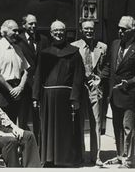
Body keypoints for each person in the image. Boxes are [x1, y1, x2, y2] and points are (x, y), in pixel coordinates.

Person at [33, 20, 85, 167]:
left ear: (66, 32)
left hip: (66, 99)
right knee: (48, 129)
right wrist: (35, 96)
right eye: (55, 31)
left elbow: (78, 77)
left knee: (65, 130)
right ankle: (49, 159)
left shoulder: (74, 52)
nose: (58, 33)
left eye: (61, 30)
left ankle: (65, 159)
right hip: (48, 98)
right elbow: (39, 75)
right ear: (50, 33)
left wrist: (75, 98)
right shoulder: (44, 53)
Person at [103, 16, 135, 168]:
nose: (119, 31)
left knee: (128, 129)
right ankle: (120, 156)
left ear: (133, 31)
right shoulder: (114, 44)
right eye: (119, 28)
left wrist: (129, 83)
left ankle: (129, 160)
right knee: (117, 127)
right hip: (114, 95)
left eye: (123, 29)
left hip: (128, 94)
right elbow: (108, 66)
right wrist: (101, 78)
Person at [71, 20, 107, 166]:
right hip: (80, 88)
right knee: (79, 122)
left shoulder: (102, 46)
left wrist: (100, 78)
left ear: (95, 30)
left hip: (95, 89)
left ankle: (96, 156)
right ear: (81, 29)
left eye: (91, 28)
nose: (89, 31)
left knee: (96, 122)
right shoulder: (75, 46)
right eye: (86, 28)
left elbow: (106, 67)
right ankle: (80, 155)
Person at [0, 19, 30, 126]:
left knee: (14, 124)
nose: (17, 34)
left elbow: (26, 71)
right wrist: (11, 90)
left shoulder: (18, 49)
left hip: (17, 91)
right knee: (2, 125)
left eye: (18, 31)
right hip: (1, 91)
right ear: (5, 31)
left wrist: (20, 87)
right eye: (14, 31)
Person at [16, 14, 49, 138]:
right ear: (24, 25)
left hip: (40, 85)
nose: (34, 26)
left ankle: (39, 148)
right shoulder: (18, 40)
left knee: (38, 118)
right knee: (23, 118)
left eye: (35, 23)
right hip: (24, 85)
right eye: (30, 23)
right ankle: (23, 147)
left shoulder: (44, 40)